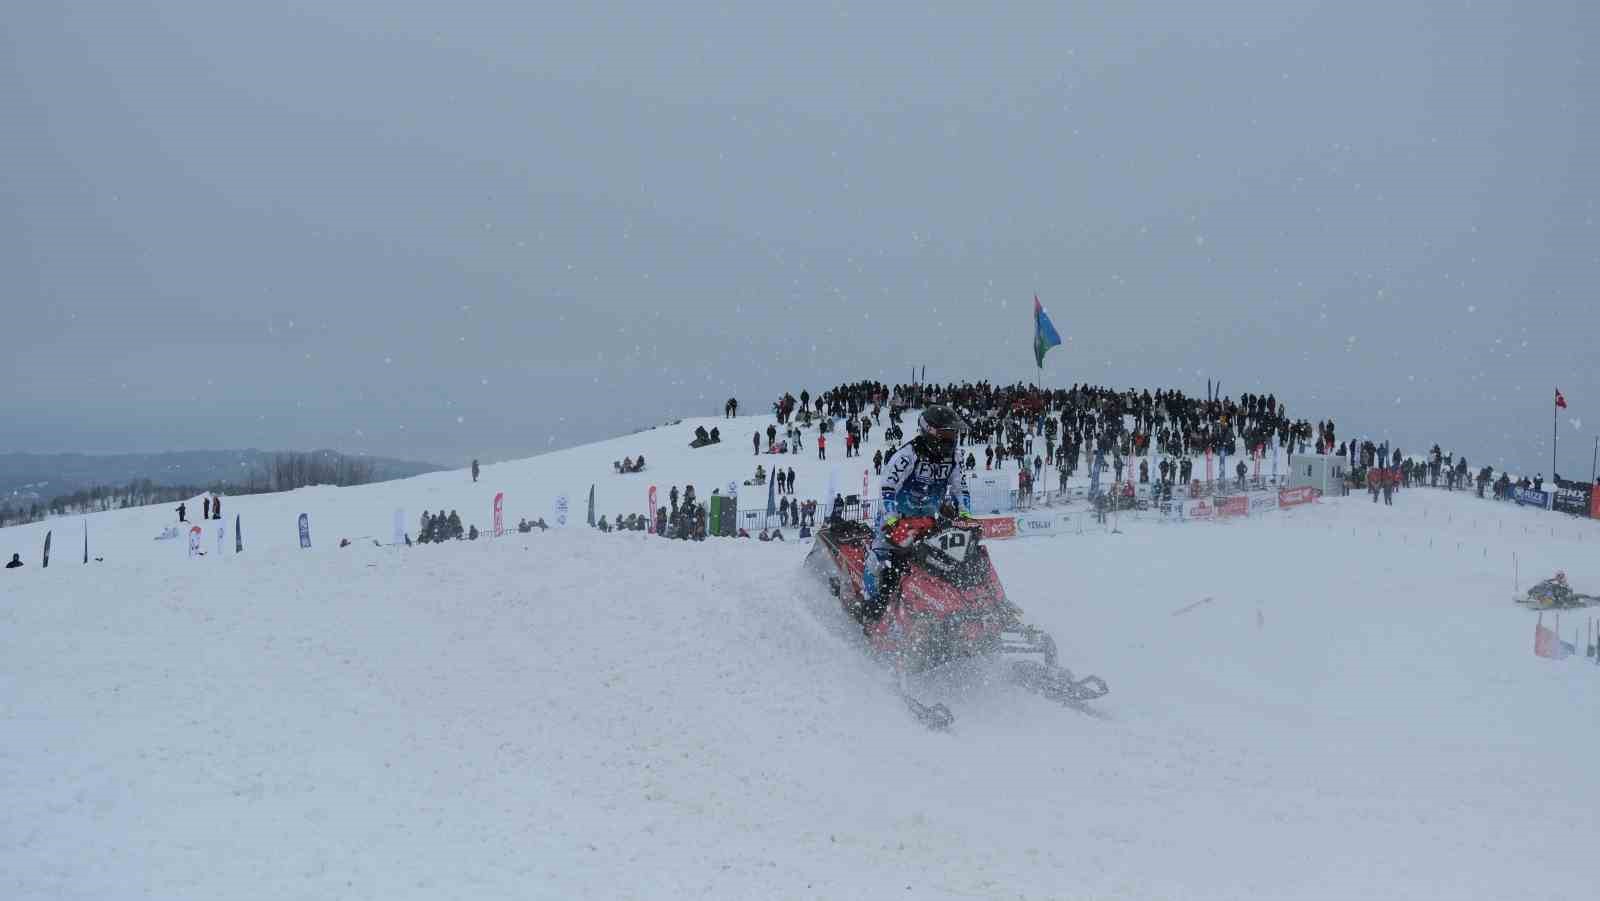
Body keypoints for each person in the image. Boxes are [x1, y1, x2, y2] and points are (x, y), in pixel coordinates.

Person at [866, 406, 973, 607]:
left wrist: (965, 514)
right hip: (898, 520)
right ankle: (871, 605)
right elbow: (887, 486)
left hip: (929, 521)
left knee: (949, 562)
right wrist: (891, 517)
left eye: (954, 434)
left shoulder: (954, 458)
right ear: (931, 432)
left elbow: (961, 488)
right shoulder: (907, 455)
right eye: (947, 434)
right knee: (880, 561)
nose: (952, 439)